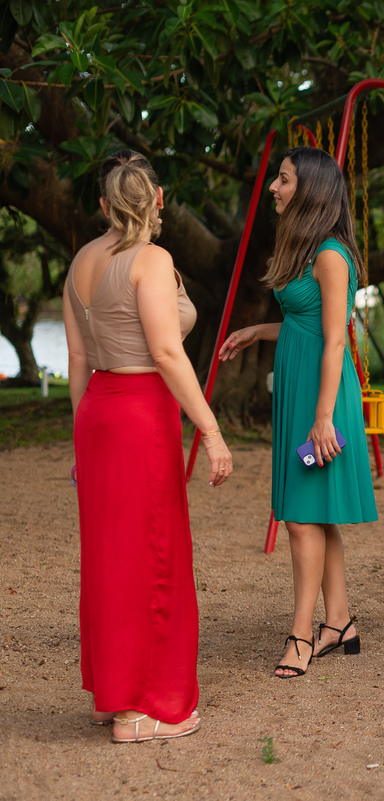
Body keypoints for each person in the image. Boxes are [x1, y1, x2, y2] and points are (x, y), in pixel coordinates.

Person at [64, 150, 233, 743]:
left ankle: (118, 697)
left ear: (106, 205)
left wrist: (81, 439)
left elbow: (79, 360)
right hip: (140, 413)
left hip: (99, 413)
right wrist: (210, 431)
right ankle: (145, 709)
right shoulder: (151, 260)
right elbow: (165, 353)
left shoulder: (81, 260)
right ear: (159, 200)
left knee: (112, 557)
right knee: (151, 555)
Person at [219, 147, 378, 679]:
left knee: (301, 521)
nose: (273, 188)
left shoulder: (331, 255)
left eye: (283, 180)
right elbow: (307, 327)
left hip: (323, 397)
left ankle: (302, 635)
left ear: (308, 189)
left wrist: (324, 417)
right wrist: (257, 332)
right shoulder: (303, 249)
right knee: (313, 513)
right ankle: (339, 624)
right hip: (301, 387)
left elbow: (337, 340)